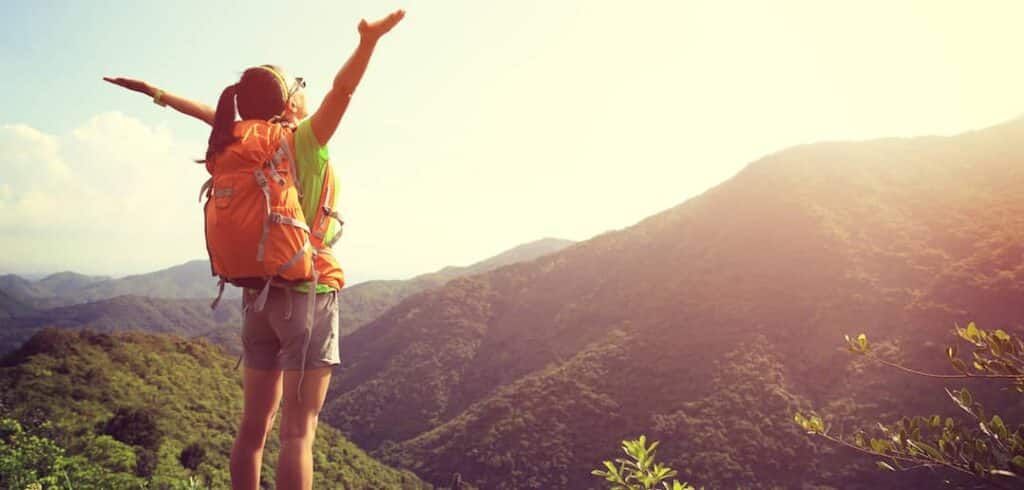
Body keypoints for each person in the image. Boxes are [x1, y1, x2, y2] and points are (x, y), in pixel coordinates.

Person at [105, 10, 405, 490]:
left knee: (253, 429)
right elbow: (343, 90)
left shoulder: (234, 140)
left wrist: (156, 93)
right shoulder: (303, 141)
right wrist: (368, 43)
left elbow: (208, 113)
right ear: (289, 102)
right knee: (298, 434)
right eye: (297, 84)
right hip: (306, 295)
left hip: (255, 299)